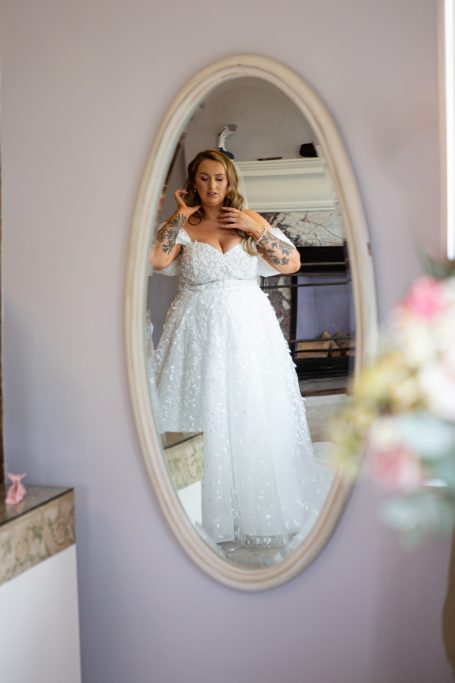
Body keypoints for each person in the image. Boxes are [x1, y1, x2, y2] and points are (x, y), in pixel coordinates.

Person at [149, 149, 324, 548]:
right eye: (205, 178)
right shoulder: (183, 225)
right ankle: (198, 511)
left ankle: (255, 509)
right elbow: (157, 260)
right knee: (201, 411)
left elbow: (290, 264)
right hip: (195, 332)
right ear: (193, 181)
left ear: (230, 183)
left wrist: (254, 227)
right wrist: (178, 213)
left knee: (250, 412)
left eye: (220, 179)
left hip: (249, 333)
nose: (212, 186)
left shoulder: (249, 222)